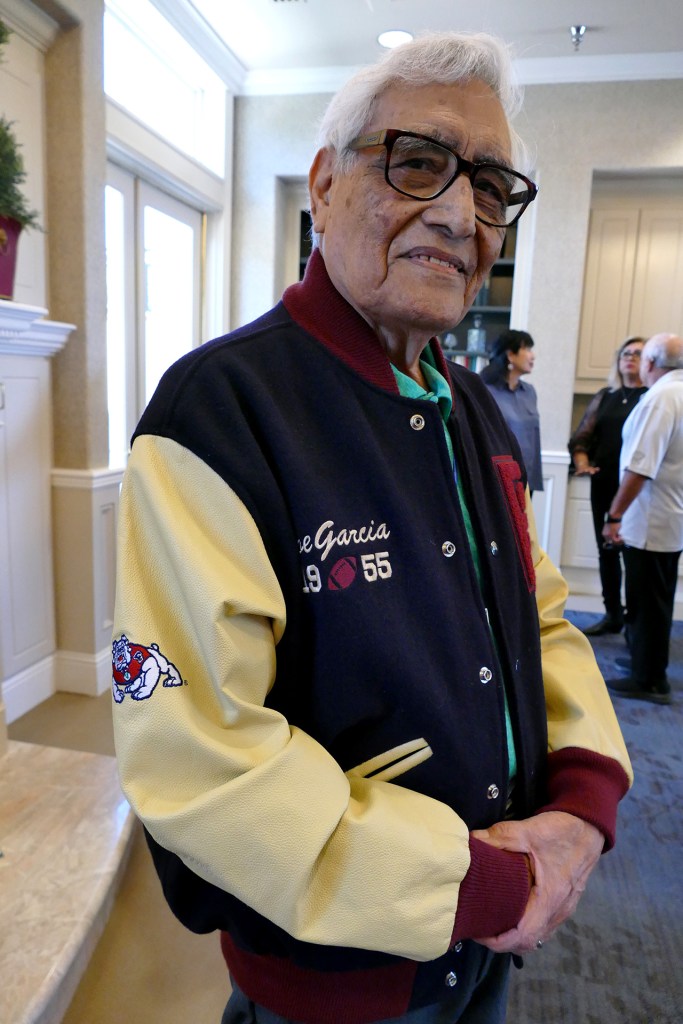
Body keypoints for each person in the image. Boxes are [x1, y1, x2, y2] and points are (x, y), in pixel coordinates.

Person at [112, 31, 632, 1024]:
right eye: (418, 160)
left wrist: (577, 804)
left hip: (487, 950)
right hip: (335, 986)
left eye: (487, 186)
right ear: (323, 182)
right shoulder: (219, 414)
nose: (454, 212)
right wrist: (477, 882)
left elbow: (545, 622)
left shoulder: (470, 408)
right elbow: (200, 757)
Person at [602, 332, 683, 705]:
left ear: (650, 362)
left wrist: (614, 514)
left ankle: (649, 680)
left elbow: (640, 467)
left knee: (646, 600)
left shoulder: (662, 398)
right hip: (670, 516)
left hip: (650, 519)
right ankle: (645, 662)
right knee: (656, 598)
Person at [568, 337, 647, 636]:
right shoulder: (607, 395)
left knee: (633, 552)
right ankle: (613, 613)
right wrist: (582, 462)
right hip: (602, 482)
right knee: (607, 551)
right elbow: (582, 437)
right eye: (626, 353)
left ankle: (635, 623)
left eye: (638, 354)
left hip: (637, 488)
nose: (630, 358)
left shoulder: (652, 397)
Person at [479, 330, 543, 494]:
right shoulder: (484, 390)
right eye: (527, 349)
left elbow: (533, 438)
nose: (532, 355)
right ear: (510, 355)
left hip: (526, 479)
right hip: (495, 480)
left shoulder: (529, 392)